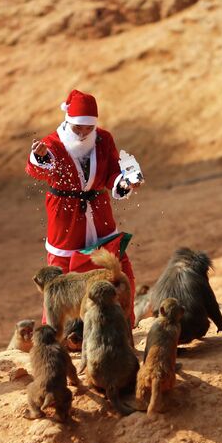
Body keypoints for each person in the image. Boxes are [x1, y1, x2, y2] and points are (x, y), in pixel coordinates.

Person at [25, 89, 144, 324]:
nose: (82, 133)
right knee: (60, 278)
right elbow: (36, 171)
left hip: (99, 212)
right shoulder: (51, 144)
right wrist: (39, 158)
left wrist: (126, 181)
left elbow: (111, 172)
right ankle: (57, 334)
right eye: (77, 128)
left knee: (118, 270)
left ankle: (122, 323)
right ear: (67, 121)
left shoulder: (104, 139)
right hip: (65, 216)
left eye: (88, 128)